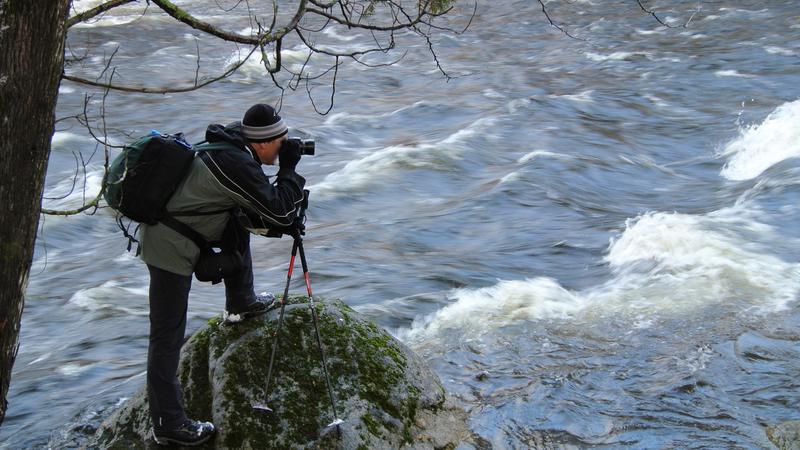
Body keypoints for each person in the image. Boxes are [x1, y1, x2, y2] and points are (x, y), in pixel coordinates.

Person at [138, 103, 306, 446]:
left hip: (191, 228)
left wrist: (283, 167)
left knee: (237, 217)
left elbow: (259, 212)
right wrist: (289, 168)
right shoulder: (236, 163)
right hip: (168, 244)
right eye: (281, 142)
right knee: (167, 337)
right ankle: (168, 424)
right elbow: (279, 212)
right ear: (261, 144)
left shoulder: (235, 147)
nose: (285, 146)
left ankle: (241, 300)